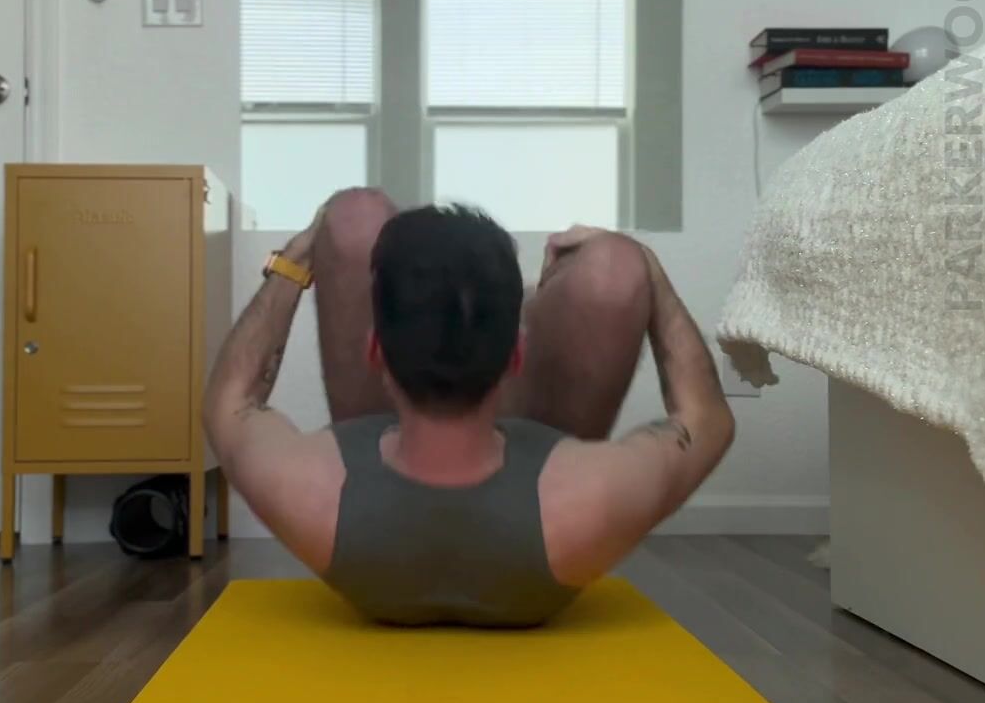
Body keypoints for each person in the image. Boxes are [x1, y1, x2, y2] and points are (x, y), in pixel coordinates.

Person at [204, 192, 734, 627]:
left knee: (349, 213)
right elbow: (707, 421)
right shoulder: (591, 497)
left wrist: (293, 263)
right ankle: (530, 299)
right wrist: (651, 271)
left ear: (375, 350)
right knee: (619, 264)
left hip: (365, 537)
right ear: (517, 355)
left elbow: (229, 400)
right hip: (552, 519)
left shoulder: (313, 493)